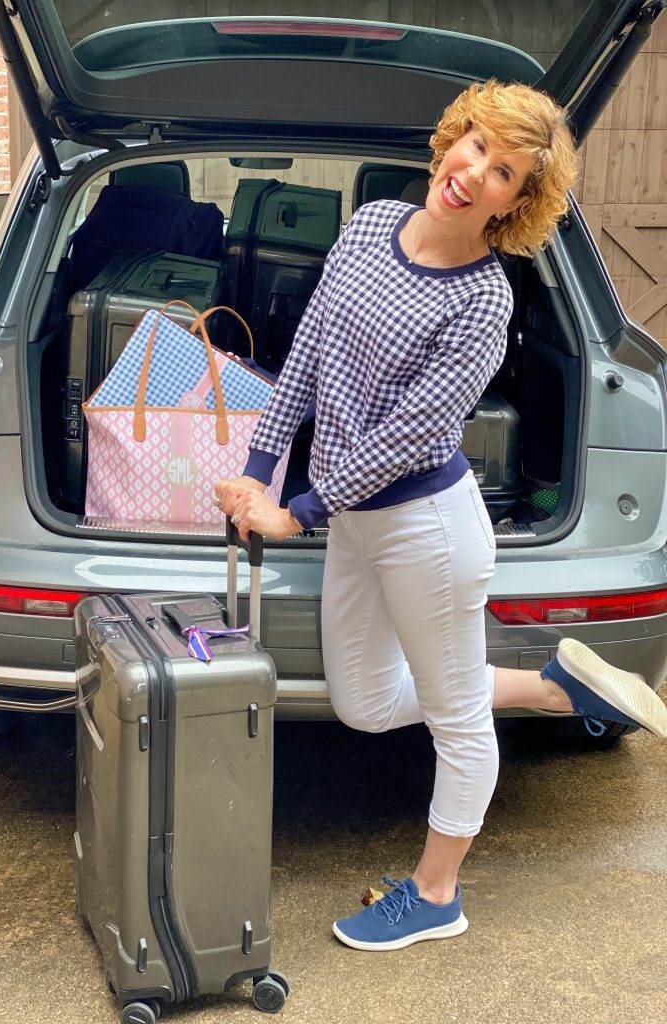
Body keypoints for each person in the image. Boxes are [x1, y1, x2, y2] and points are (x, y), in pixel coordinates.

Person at [214, 80, 667, 952]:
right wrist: (256, 469)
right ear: (452, 137)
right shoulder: (371, 224)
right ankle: (554, 689)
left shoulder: (485, 301)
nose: (472, 173)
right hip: (357, 523)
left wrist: (293, 512)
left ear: (518, 203)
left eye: (503, 173)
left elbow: (411, 436)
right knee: (366, 701)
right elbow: (308, 352)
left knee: (457, 721)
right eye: (474, 146)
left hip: (426, 529)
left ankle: (436, 893)